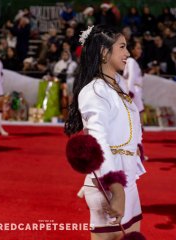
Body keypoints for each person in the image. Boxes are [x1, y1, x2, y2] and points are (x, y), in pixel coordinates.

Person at [65, 25, 146, 240]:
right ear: (103, 52)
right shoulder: (95, 91)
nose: (127, 53)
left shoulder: (116, 85)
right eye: (122, 47)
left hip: (125, 181)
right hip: (108, 185)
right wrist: (116, 189)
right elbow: (98, 142)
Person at [123, 40, 144, 120]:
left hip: (134, 90)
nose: (140, 50)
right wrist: (130, 91)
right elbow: (130, 76)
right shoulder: (131, 61)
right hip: (134, 90)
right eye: (138, 48)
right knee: (138, 113)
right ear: (132, 49)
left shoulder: (130, 61)